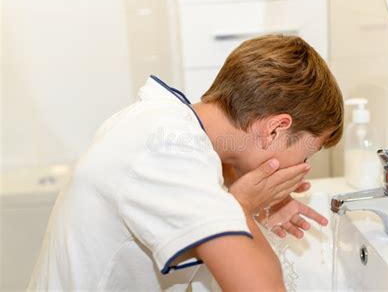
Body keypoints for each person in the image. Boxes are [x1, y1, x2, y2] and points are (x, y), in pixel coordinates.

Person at [28, 34, 344, 291]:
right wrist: (241, 208)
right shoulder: (166, 150)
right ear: (275, 128)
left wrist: (246, 193)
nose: (304, 167)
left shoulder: (167, 122)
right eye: (306, 154)